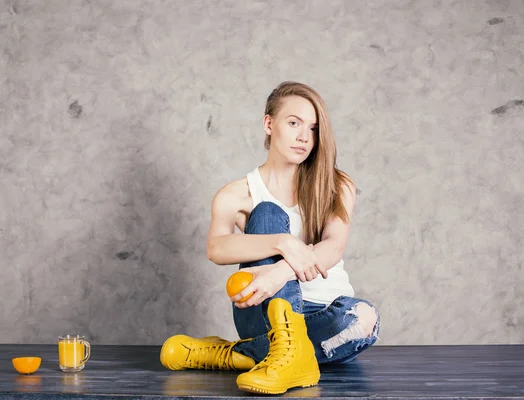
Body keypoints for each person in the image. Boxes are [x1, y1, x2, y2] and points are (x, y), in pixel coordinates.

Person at [160, 81, 380, 395]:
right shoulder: (237, 194)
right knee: (266, 213)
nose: (305, 136)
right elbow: (216, 248)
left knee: (364, 319)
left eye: (313, 128)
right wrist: (283, 242)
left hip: (324, 311)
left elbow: (333, 246)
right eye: (294, 123)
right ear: (269, 124)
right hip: (260, 312)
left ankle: (245, 355)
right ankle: (282, 348)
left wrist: (282, 271)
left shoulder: (337, 184)